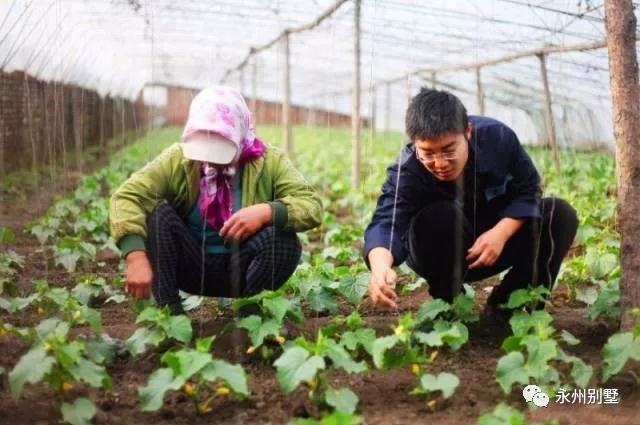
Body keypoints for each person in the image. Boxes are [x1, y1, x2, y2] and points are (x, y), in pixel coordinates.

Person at [363, 88, 578, 327]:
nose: (440, 163)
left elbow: (529, 189)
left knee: (559, 216)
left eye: (448, 150)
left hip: (495, 246)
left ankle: (508, 305)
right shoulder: (407, 170)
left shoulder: (498, 139)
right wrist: (380, 268)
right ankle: (446, 305)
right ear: (415, 145)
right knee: (440, 216)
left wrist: (501, 233)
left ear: (468, 131)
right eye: (428, 153)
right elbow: (387, 221)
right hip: (440, 256)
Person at [109, 86, 322, 315]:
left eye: (221, 149)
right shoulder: (178, 160)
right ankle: (170, 318)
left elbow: (311, 206)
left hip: (244, 268)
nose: (211, 159)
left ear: (240, 134)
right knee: (159, 216)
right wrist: (135, 256)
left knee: (283, 239)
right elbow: (127, 196)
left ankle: (250, 314)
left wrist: (266, 212)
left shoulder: (269, 161)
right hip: (191, 266)